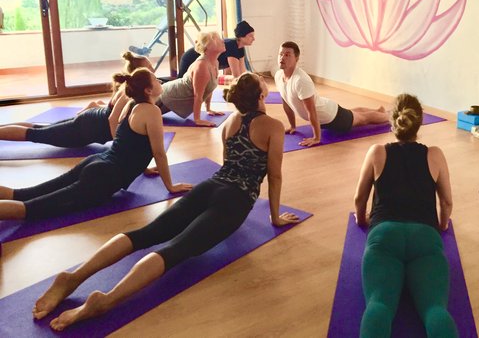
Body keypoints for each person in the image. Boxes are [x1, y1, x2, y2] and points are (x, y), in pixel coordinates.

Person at [32, 72, 300, 331]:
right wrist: (275, 217)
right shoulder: (273, 126)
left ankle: (73, 277)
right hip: (235, 199)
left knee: (146, 233)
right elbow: (274, 176)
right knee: (177, 249)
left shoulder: (230, 122)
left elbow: (231, 162)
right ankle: (107, 299)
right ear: (262, 95)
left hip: (210, 186)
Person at [0, 68, 192, 222]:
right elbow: (159, 153)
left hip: (97, 162)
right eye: (157, 80)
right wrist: (171, 186)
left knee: (26, 194)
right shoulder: (152, 112)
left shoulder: (132, 104)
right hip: (103, 177)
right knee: (31, 209)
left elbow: (126, 140)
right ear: (148, 90)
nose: (161, 82)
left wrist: (142, 167)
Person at [354, 93, 456, 338]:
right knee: (434, 308)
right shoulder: (435, 154)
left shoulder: (377, 152)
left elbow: (359, 199)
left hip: (384, 237)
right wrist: (442, 226)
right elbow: (447, 202)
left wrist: (361, 220)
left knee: (379, 305)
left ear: (393, 121)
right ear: (419, 123)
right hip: (425, 238)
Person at [0, 51, 153, 147]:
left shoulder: (129, 85)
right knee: (34, 134)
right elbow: (113, 119)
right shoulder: (130, 91)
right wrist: (118, 146)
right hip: (85, 129)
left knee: (38, 128)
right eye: (149, 66)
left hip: (88, 123)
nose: (153, 69)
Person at [275, 41, 388, 147]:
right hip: (325, 111)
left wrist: (316, 138)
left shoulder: (300, 80)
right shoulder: (279, 76)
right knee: (353, 113)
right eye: (281, 54)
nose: (282, 57)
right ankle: (379, 111)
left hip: (332, 116)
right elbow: (286, 103)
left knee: (363, 119)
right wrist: (292, 126)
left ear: (296, 58)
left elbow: (312, 111)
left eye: (287, 55)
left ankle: (389, 117)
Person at [158, 31, 225, 126]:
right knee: (140, 114)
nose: (222, 41)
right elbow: (198, 96)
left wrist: (208, 109)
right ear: (207, 47)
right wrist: (197, 120)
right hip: (166, 97)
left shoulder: (215, 62)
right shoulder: (202, 66)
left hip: (173, 97)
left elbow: (209, 87)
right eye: (216, 39)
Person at [178, 20, 255, 78]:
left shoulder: (240, 47)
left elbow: (242, 72)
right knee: (181, 82)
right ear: (241, 36)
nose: (253, 39)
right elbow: (236, 76)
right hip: (190, 58)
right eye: (250, 36)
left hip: (199, 60)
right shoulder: (232, 45)